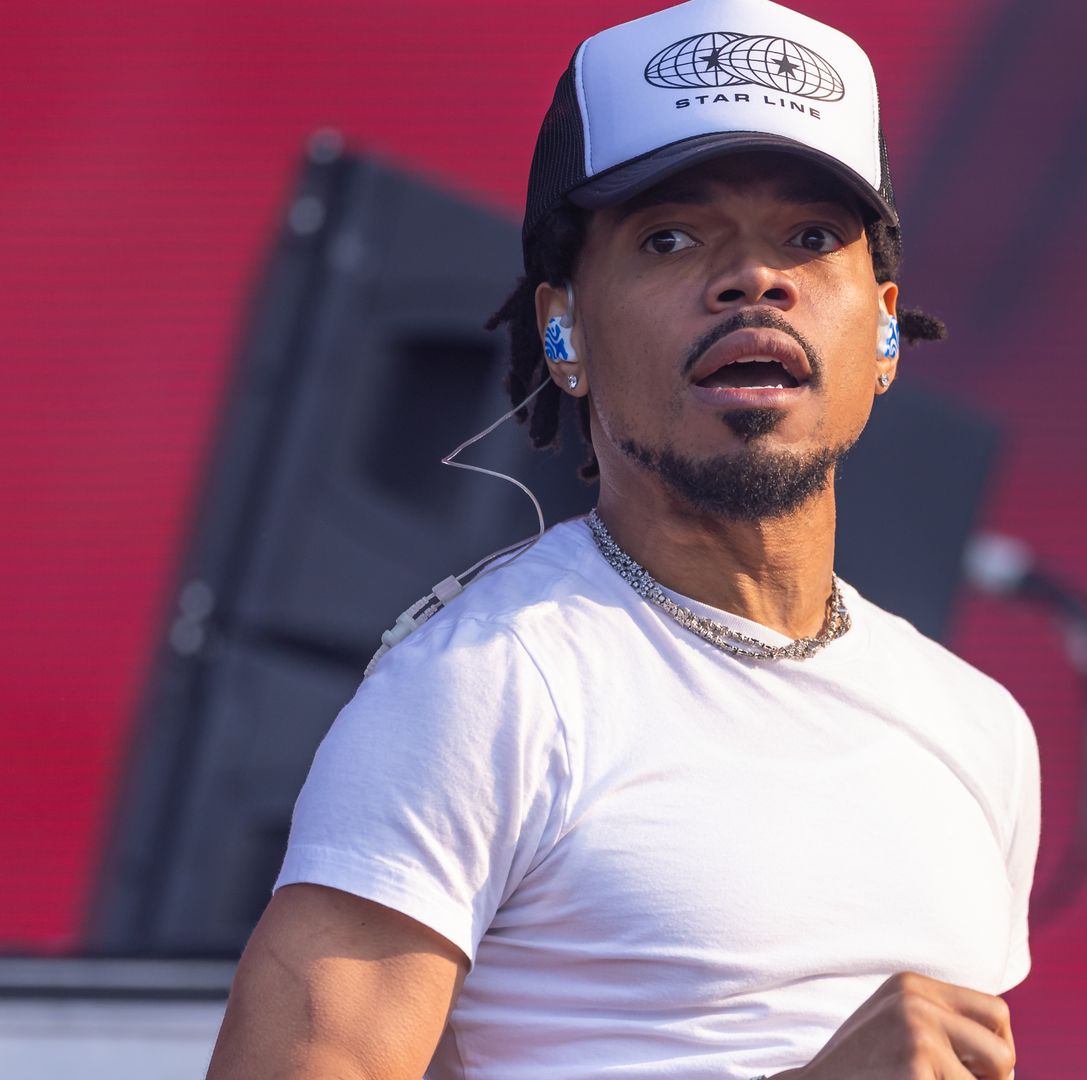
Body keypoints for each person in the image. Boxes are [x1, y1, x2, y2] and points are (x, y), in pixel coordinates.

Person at [206, 0, 1040, 1077]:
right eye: (672, 238)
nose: (755, 280)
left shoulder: (978, 729)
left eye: (811, 238)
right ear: (564, 331)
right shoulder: (486, 686)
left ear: (884, 328)